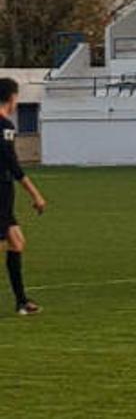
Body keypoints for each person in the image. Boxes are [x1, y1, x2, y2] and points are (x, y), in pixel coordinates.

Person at [0, 78, 48, 315]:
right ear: (11, 98)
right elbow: (14, 166)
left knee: (17, 243)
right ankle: (21, 302)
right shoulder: (5, 126)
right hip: (0, 193)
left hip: (4, 194)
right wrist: (36, 195)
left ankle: (21, 302)